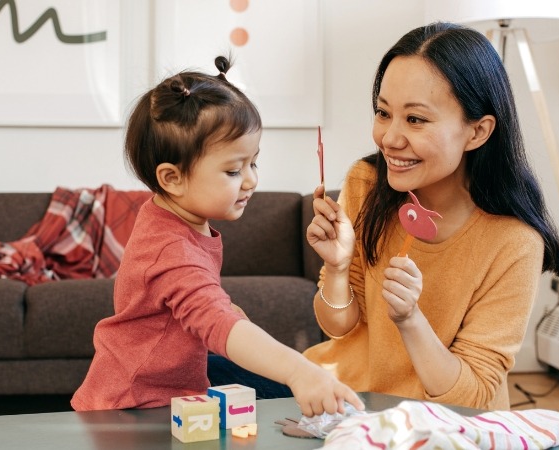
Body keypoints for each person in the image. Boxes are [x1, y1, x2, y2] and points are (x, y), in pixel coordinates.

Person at [71, 57, 364, 417]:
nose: (251, 180)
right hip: (133, 408)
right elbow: (215, 320)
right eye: (233, 170)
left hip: (168, 389)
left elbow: (188, 302)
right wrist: (298, 371)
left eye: (252, 163)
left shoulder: (173, 216)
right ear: (172, 178)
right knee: (282, 381)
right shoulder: (171, 248)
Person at [303, 22, 559, 411]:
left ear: (478, 132)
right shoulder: (367, 184)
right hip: (352, 404)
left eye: (415, 119)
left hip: (449, 424)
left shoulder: (515, 242)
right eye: (383, 113)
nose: (390, 139)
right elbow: (337, 327)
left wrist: (410, 318)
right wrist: (339, 268)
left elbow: (473, 396)